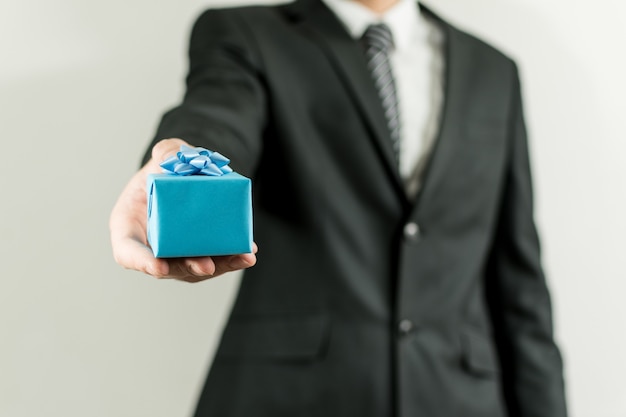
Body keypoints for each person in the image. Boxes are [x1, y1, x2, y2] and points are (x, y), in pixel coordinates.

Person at [109, 0, 569, 415]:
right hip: (292, 397)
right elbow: (218, 114)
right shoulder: (246, 33)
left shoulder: (494, 70)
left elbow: (519, 283)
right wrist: (178, 163)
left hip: (459, 398)